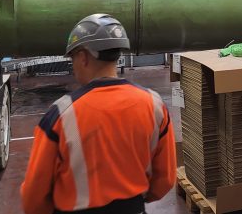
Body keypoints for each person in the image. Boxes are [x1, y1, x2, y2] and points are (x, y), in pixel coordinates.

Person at [21, 14, 176, 214]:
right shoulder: (154, 105)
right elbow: (165, 179)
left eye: (73, 58)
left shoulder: (61, 114)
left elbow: (34, 196)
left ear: (83, 57)